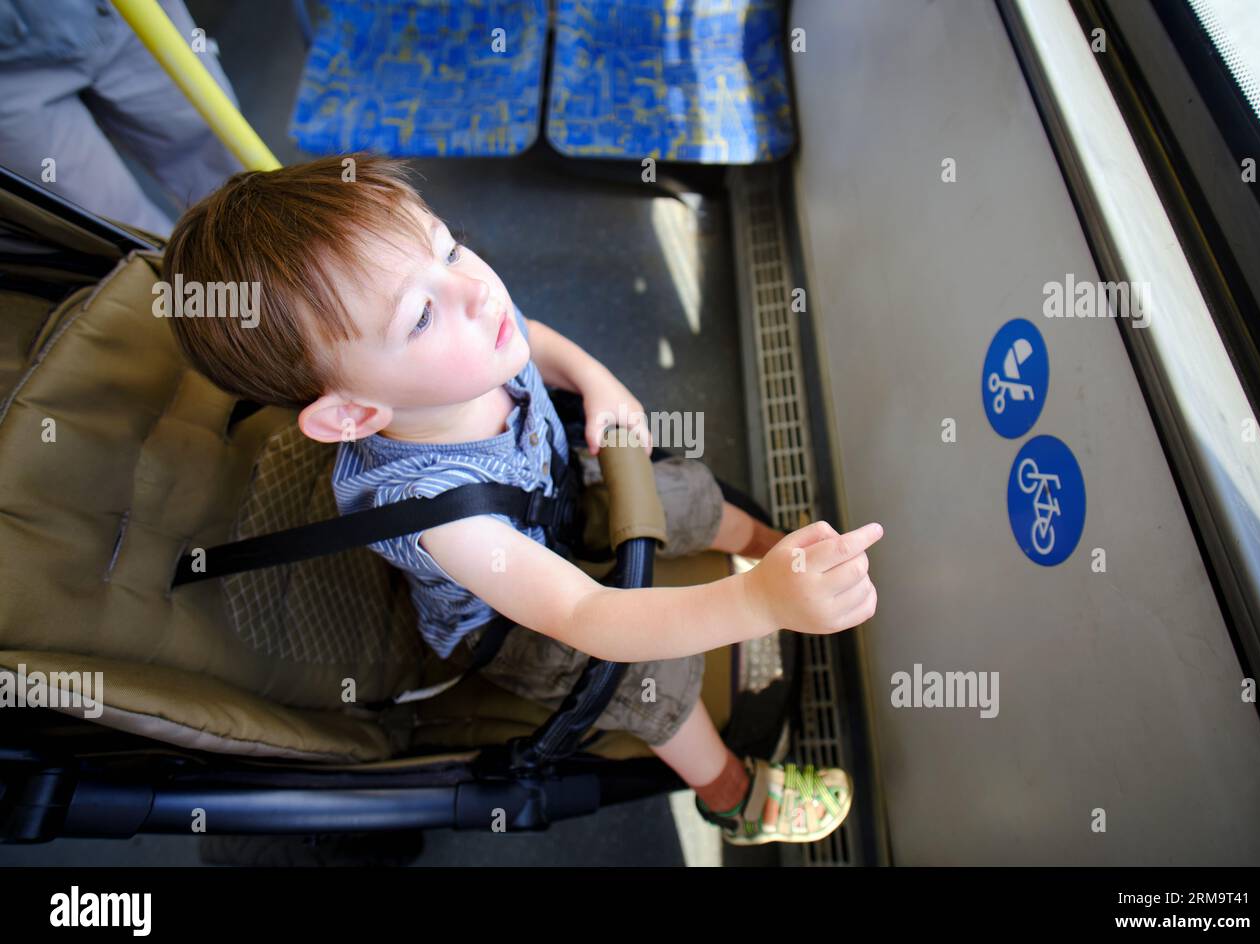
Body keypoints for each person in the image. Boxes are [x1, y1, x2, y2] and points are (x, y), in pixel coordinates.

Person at [160, 153, 885, 845]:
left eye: (449, 249)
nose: (476, 289)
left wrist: (595, 379)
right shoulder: (440, 512)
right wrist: (760, 606)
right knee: (643, 679)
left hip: (557, 487)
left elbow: (534, 339)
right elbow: (586, 615)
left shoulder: (473, 344)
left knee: (681, 494)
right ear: (353, 415)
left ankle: (769, 545)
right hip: (513, 619)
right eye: (420, 315)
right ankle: (732, 794)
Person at [0, 0, 245, 237]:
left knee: (219, 153)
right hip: (10, 73)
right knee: (104, 222)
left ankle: (268, 261)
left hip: (124, 15)